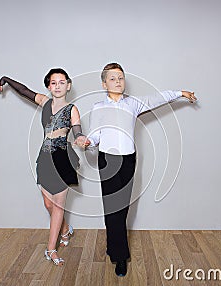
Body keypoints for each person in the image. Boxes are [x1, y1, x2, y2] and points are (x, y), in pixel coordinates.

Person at [83, 63, 197, 276]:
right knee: (112, 208)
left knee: (122, 208)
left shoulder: (133, 104)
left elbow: (157, 98)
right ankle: (120, 257)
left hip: (128, 160)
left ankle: (112, 246)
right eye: (113, 78)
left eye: (121, 78)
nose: (118, 82)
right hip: (107, 160)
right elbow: (96, 136)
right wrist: (87, 142)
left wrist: (180, 93)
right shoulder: (98, 107)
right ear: (104, 83)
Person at [0, 68, 88, 266]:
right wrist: (6, 79)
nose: (57, 86)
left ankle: (51, 250)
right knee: (49, 205)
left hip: (63, 159)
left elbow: (78, 131)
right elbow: (23, 90)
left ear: (68, 85)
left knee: (59, 206)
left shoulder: (72, 109)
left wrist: (81, 139)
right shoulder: (44, 102)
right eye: (53, 83)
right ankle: (65, 230)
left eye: (62, 82)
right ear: (48, 86)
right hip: (44, 159)